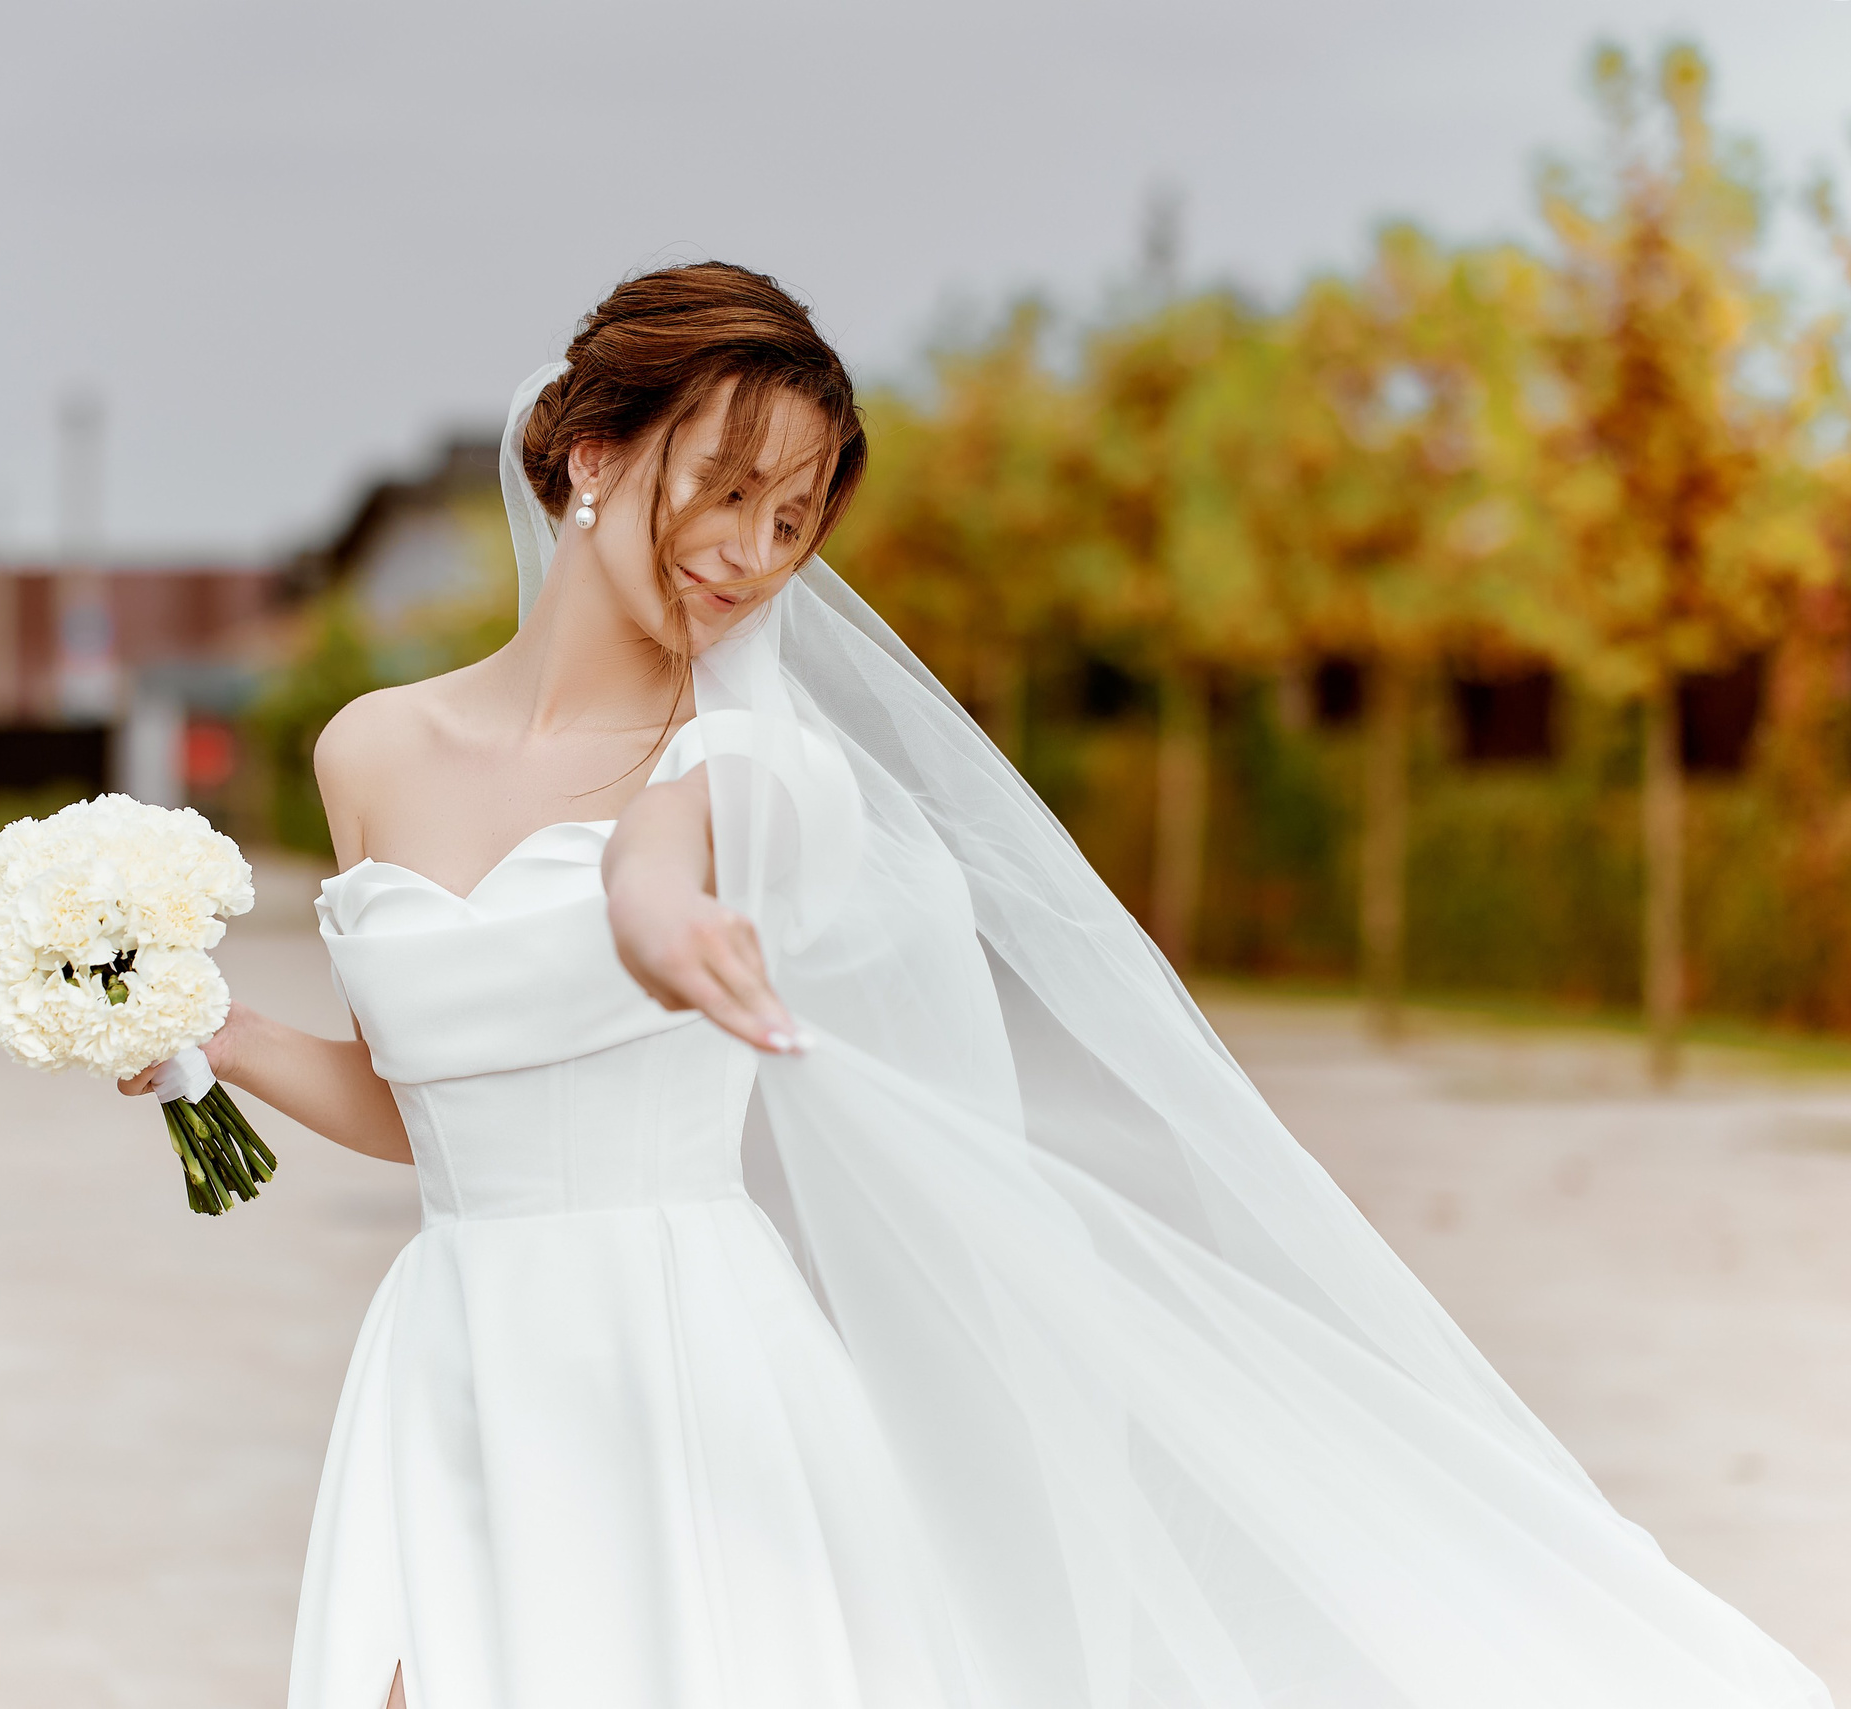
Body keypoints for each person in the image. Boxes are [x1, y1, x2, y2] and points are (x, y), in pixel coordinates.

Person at [123, 262, 1831, 1709]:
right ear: (588, 453)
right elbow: (437, 1111)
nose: (751, 550)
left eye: (794, 518)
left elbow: (671, 854)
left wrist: (656, 915)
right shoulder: (372, 749)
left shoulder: (764, 759)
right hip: (457, 1359)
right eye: (724, 487)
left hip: (691, 1364)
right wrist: (211, 1030)